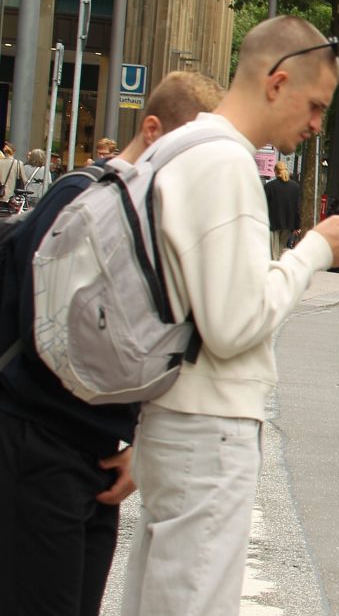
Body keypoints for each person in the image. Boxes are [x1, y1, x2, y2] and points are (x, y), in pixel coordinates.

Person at [120, 16, 339, 616]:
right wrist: (312, 251)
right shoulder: (226, 164)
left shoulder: (179, 149)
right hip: (208, 425)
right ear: (277, 81)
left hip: (172, 412)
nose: (316, 125)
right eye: (314, 105)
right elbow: (233, 325)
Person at [0, 71, 225, 616]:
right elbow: (47, 331)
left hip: (89, 455)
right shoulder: (82, 197)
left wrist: (133, 445)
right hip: (39, 442)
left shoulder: (147, 215)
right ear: (151, 131)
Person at [264, 161, 302, 260]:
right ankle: (278, 267)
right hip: (288, 224)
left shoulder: (269, 187)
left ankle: (273, 269)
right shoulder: (295, 187)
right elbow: (297, 208)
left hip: (273, 223)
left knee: (273, 250)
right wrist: (297, 226)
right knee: (281, 248)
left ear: (275, 172)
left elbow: (263, 206)